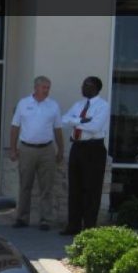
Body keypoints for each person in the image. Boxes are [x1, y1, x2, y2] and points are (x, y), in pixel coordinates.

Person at [9, 76, 65, 230]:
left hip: (47, 149)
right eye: (44, 87)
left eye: (48, 87)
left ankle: (45, 219)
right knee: (25, 185)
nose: (47, 90)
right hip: (26, 149)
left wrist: (61, 149)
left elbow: (58, 129)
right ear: (36, 87)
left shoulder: (53, 106)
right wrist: (13, 149)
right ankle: (22, 218)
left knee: (46, 186)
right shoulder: (23, 103)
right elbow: (15, 127)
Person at [60, 76, 109, 236]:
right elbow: (64, 120)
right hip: (77, 147)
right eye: (83, 84)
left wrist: (76, 122)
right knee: (75, 188)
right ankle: (73, 225)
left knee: (91, 189)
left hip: (93, 149)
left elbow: (95, 127)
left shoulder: (103, 106)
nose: (83, 87)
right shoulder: (78, 105)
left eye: (86, 85)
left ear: (95, 87)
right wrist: (82, 120)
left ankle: (89, 227)